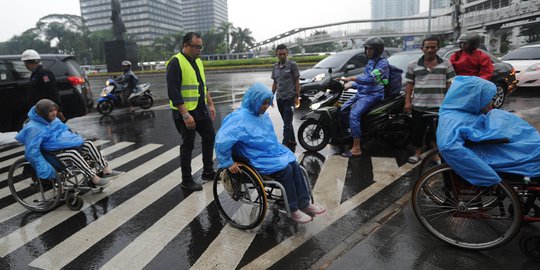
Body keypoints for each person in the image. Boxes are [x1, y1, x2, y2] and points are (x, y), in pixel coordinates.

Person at [215, 83, 326, 224]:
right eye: (264, 103)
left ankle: (304, 203)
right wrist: (227, 162)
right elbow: (222, 140)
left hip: (267, 153)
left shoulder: (262, 116)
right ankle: (292, 208)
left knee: (293, 163)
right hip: (252, 157)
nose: (266, 106)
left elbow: (269, 140)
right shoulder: (238, 118)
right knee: (285, 169)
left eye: (268, 102)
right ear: (255, 101)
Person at [437, 76, 540, 186]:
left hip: (499, 138)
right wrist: (489, 177)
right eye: (488, 99)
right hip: (498, 148)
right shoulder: (456, 120)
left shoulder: (457, 112)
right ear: (476, 99)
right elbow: (448, 147)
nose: (491, 102)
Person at [15, 99, 121, 187]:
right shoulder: (33, 128)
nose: (54, 113)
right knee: (72, 154)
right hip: (52, 155)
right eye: (50, 111)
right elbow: (32, 153)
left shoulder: (54, 120)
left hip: (65, 147)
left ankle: (106, 170)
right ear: (43, 113)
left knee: (88, 144)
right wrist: (46, 170)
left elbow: (65, 133)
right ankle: (94, 178)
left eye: (54, 110)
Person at [166, 32, 216, 192]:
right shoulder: (175, 62)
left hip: (200, 109)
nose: (199, 50)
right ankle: (186, 180)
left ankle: (208, 171)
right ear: (185, 45)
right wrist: (185, 114)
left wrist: (211, 104)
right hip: (185, 112)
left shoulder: (198, 61)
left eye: (200, 47)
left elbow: (202, 85)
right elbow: (173, 92)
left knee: (209, 136)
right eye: (196, 47)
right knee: (188, 144)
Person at [404, 36, 455, 164]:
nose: (430, 50)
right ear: (422, 49)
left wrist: (450, 102)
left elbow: (449, 84)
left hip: (439, 106)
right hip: (419, 105)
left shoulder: (446, 64)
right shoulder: (413, 65)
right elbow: (409, 85)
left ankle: (435, 155)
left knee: (436, 133)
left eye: (433, 47)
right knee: (417, 132)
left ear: (438, 48)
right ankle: (417, 153)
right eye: (427, 47)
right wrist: (407, 101)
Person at [338, 37, 389, 157]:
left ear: (377, 50)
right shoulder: (370, 62)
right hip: (363, 92)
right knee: (343, 108)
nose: (367, 51)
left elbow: (370, 79)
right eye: (367, 49)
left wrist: (351, 79)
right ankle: (352, 135)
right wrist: (349, 84)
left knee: (354, 114)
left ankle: (357, 148)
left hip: (373, 94)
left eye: (370, 49)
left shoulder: (382, 63)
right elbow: (364, 81)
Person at [21, 49, 65, 122]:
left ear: (27, 63)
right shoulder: (35, 74)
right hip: (38, 110)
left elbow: (53, 92)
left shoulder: (44, 74)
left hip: (45, 110)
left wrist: (58, 109)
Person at [271, 44, 300, 151]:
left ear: (287, 53)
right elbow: (275, 82)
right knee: (286, 121)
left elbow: (297, 81)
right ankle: (292, 140)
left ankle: (285, 143)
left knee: (287, 122)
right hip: (280, 98)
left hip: (290, 98)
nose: (282, 56)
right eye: (280, 54)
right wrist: (271, 96)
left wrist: (297, 96)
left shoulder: (292, 65)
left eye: (284, 54)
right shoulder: (275, 67)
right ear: (277, 54)